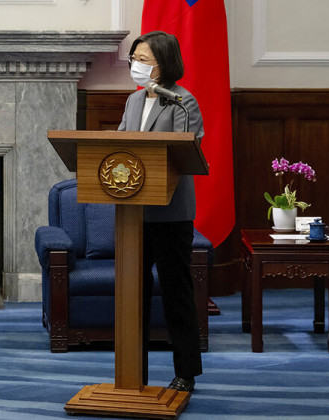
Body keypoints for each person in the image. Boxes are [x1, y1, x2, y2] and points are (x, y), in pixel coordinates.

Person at [117, 31, 204, 392]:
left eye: (143, 60)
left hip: (170, 213)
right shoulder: (133, 102)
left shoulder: (185, 103)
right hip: (133, 215)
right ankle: (132, 370)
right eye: (133, 59)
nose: (136, 66)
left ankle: (186, 372)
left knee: (175, 291)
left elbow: (185, 154)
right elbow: (119, 145)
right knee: (132, 293)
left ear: (164, 63)